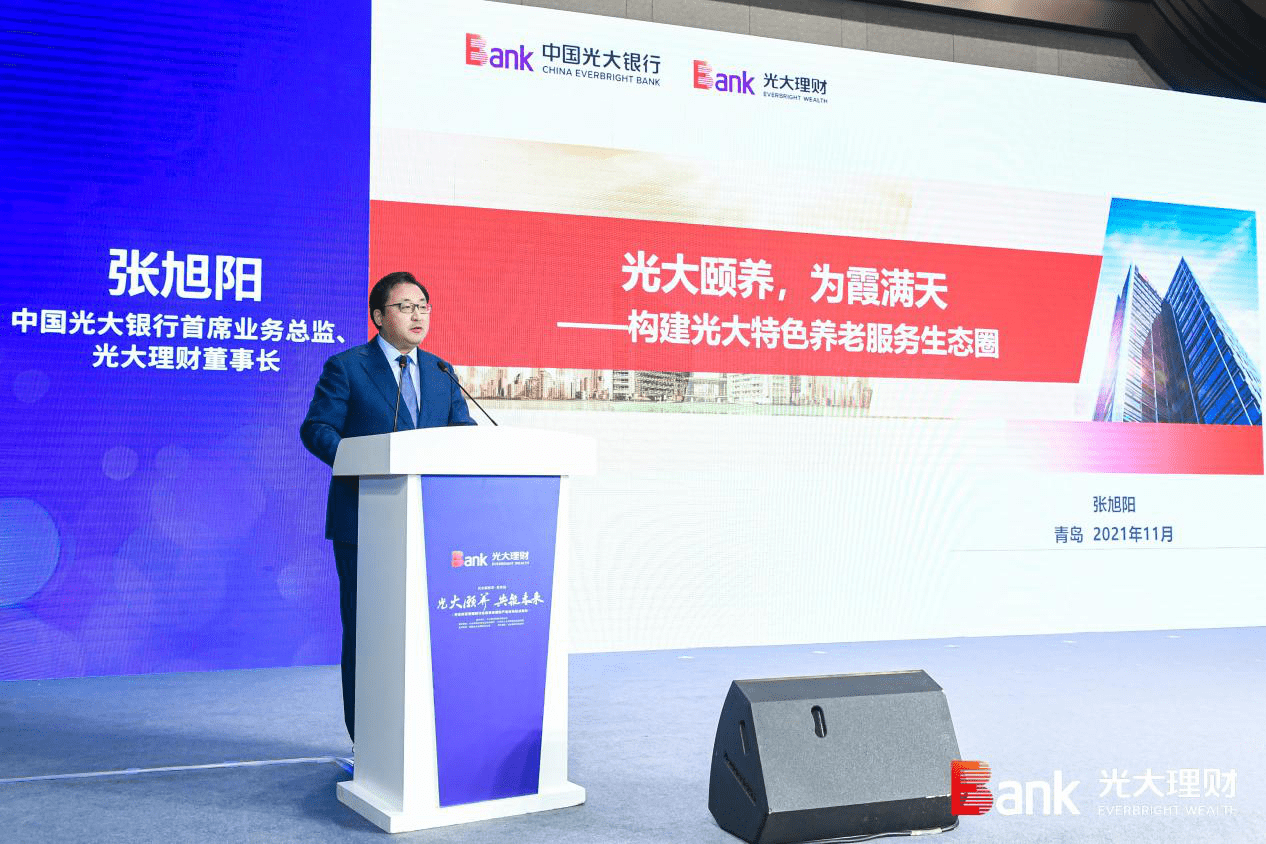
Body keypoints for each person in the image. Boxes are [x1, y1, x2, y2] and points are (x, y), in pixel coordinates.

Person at [300, 271, 475, 741]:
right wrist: (363, 460)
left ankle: (422, 735)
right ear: (378, 316)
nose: (418, 315)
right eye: (405, 306)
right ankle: (369, 741)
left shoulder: (440, 371)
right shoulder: (347, 366)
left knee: (425, 632)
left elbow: (462, 432)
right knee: (368, 632)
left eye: (423, 306)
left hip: (430, 524)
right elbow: (316, 429)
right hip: (365, 521)